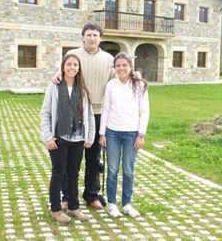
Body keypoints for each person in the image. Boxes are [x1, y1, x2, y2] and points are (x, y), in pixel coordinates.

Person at [54, 23, 116, 210]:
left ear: (100, 38)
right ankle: (67, 196)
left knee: (93, 156)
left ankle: (91, 194)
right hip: (73, 113)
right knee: (68, 158)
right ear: (82, 37)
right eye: (88, 35)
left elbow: (120, 78)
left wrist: (135, 74)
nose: (92, 38)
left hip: (97, 113)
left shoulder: (108, 59)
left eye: (95, 35)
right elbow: (63, 71)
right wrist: (56, 75)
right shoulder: (74, 55)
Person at [40, 54, 95, 223]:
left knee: (73, 173)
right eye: (69, 64)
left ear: (79, 68)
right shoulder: (54, 88)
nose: (72, 68)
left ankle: (73, 207)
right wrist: (48, 137)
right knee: (58, 173)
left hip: (77, 138)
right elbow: (46, 113)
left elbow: (89, 115)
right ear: (63, 67)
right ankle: (56, 209)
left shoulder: (83, 89)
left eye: (75, 65)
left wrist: (89, 136)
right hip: (59, 138)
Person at [99, 52, 150, 218]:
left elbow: (145, 111)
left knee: (128, 170)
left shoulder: (139, 85)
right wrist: (102, 133)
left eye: (124, 65)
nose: (121, 68)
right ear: (115, 68)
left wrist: (141, 134)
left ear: (130, 67)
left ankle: (127, 204)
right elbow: (106, 108)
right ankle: (112, 204)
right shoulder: (111, 85)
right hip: (112, 132)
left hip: (132, 133)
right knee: (112, 170)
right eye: (118, 65)